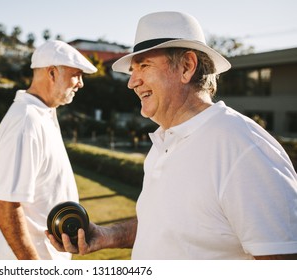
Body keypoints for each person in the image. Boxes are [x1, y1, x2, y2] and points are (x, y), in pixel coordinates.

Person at [46, 11, 297, 260]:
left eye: (144, 65)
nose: (131, 82)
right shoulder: (163, 141)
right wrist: (107, 235)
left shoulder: (243, 148)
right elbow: (163, 225)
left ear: (187, 67)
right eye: (132, 70)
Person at [0, 40, 97, 260]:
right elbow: (6, 203)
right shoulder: (26, 122)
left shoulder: (42, 113)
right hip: (34, 257)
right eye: (76, 75)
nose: (80, 84)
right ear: (52, 73)